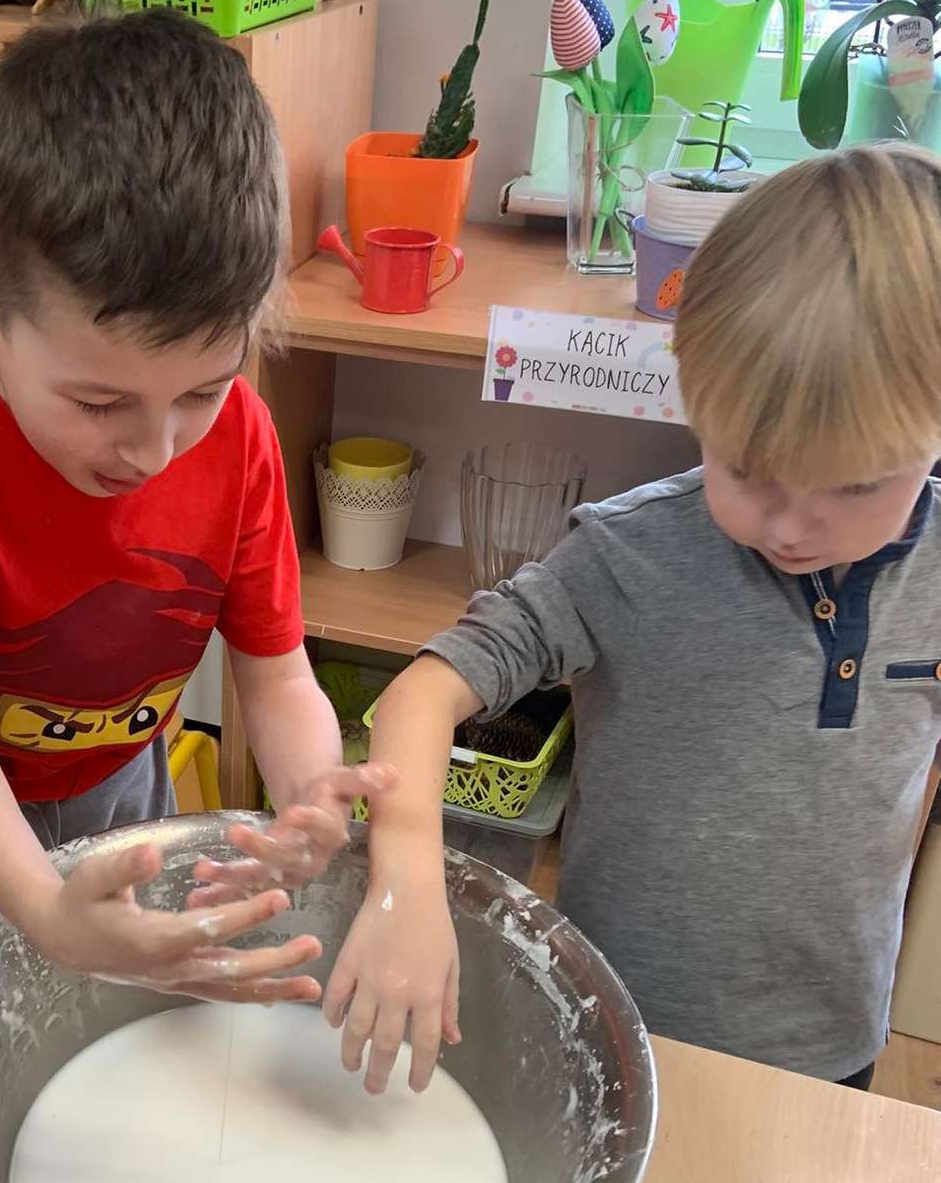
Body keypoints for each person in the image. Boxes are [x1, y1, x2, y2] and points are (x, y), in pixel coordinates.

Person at [321, 143, 941, 1095]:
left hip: (831, 1041)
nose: (791, 525)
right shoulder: (626, 555)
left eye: (856, 486)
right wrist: (406, 879)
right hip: (614, 1018)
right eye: (748, 469)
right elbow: (424, 694)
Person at [0, 7, 383, 999]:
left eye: (202, 390)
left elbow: (278, 680)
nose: (154, 451)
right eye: (99, 403)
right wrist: (46, 912)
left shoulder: (243, 439)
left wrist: (310, 796)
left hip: (122, 780)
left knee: (120, 996)